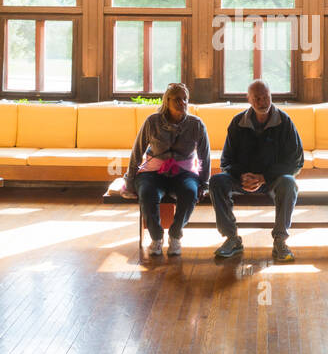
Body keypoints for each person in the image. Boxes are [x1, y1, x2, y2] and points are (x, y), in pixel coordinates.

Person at [210, 80, 304, 263]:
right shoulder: (238, 122)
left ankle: (280, 241)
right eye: (257, 98)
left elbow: (296, 161)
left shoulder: (284, 122)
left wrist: (263, 177)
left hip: (272, 180)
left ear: (271, 96)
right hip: (243, 179)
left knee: (289, 183)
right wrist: (241, 176)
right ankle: (232, 238)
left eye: (266, 97)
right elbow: (226, 161)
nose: (262, 102)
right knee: (216, 181)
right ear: (249, 99)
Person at [125, 82, 211, 258]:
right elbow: (137, 151)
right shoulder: (152, 121)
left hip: (184, 172)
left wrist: (204, 183)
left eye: (185, 99)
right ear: (167, 101)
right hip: (153, 172)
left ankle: (175, 235)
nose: (182, 103)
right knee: (147, 193)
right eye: (178, 99)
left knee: (189, 192)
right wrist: (130, 180)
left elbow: (204, 156)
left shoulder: (196, 124)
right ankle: (156, 238)